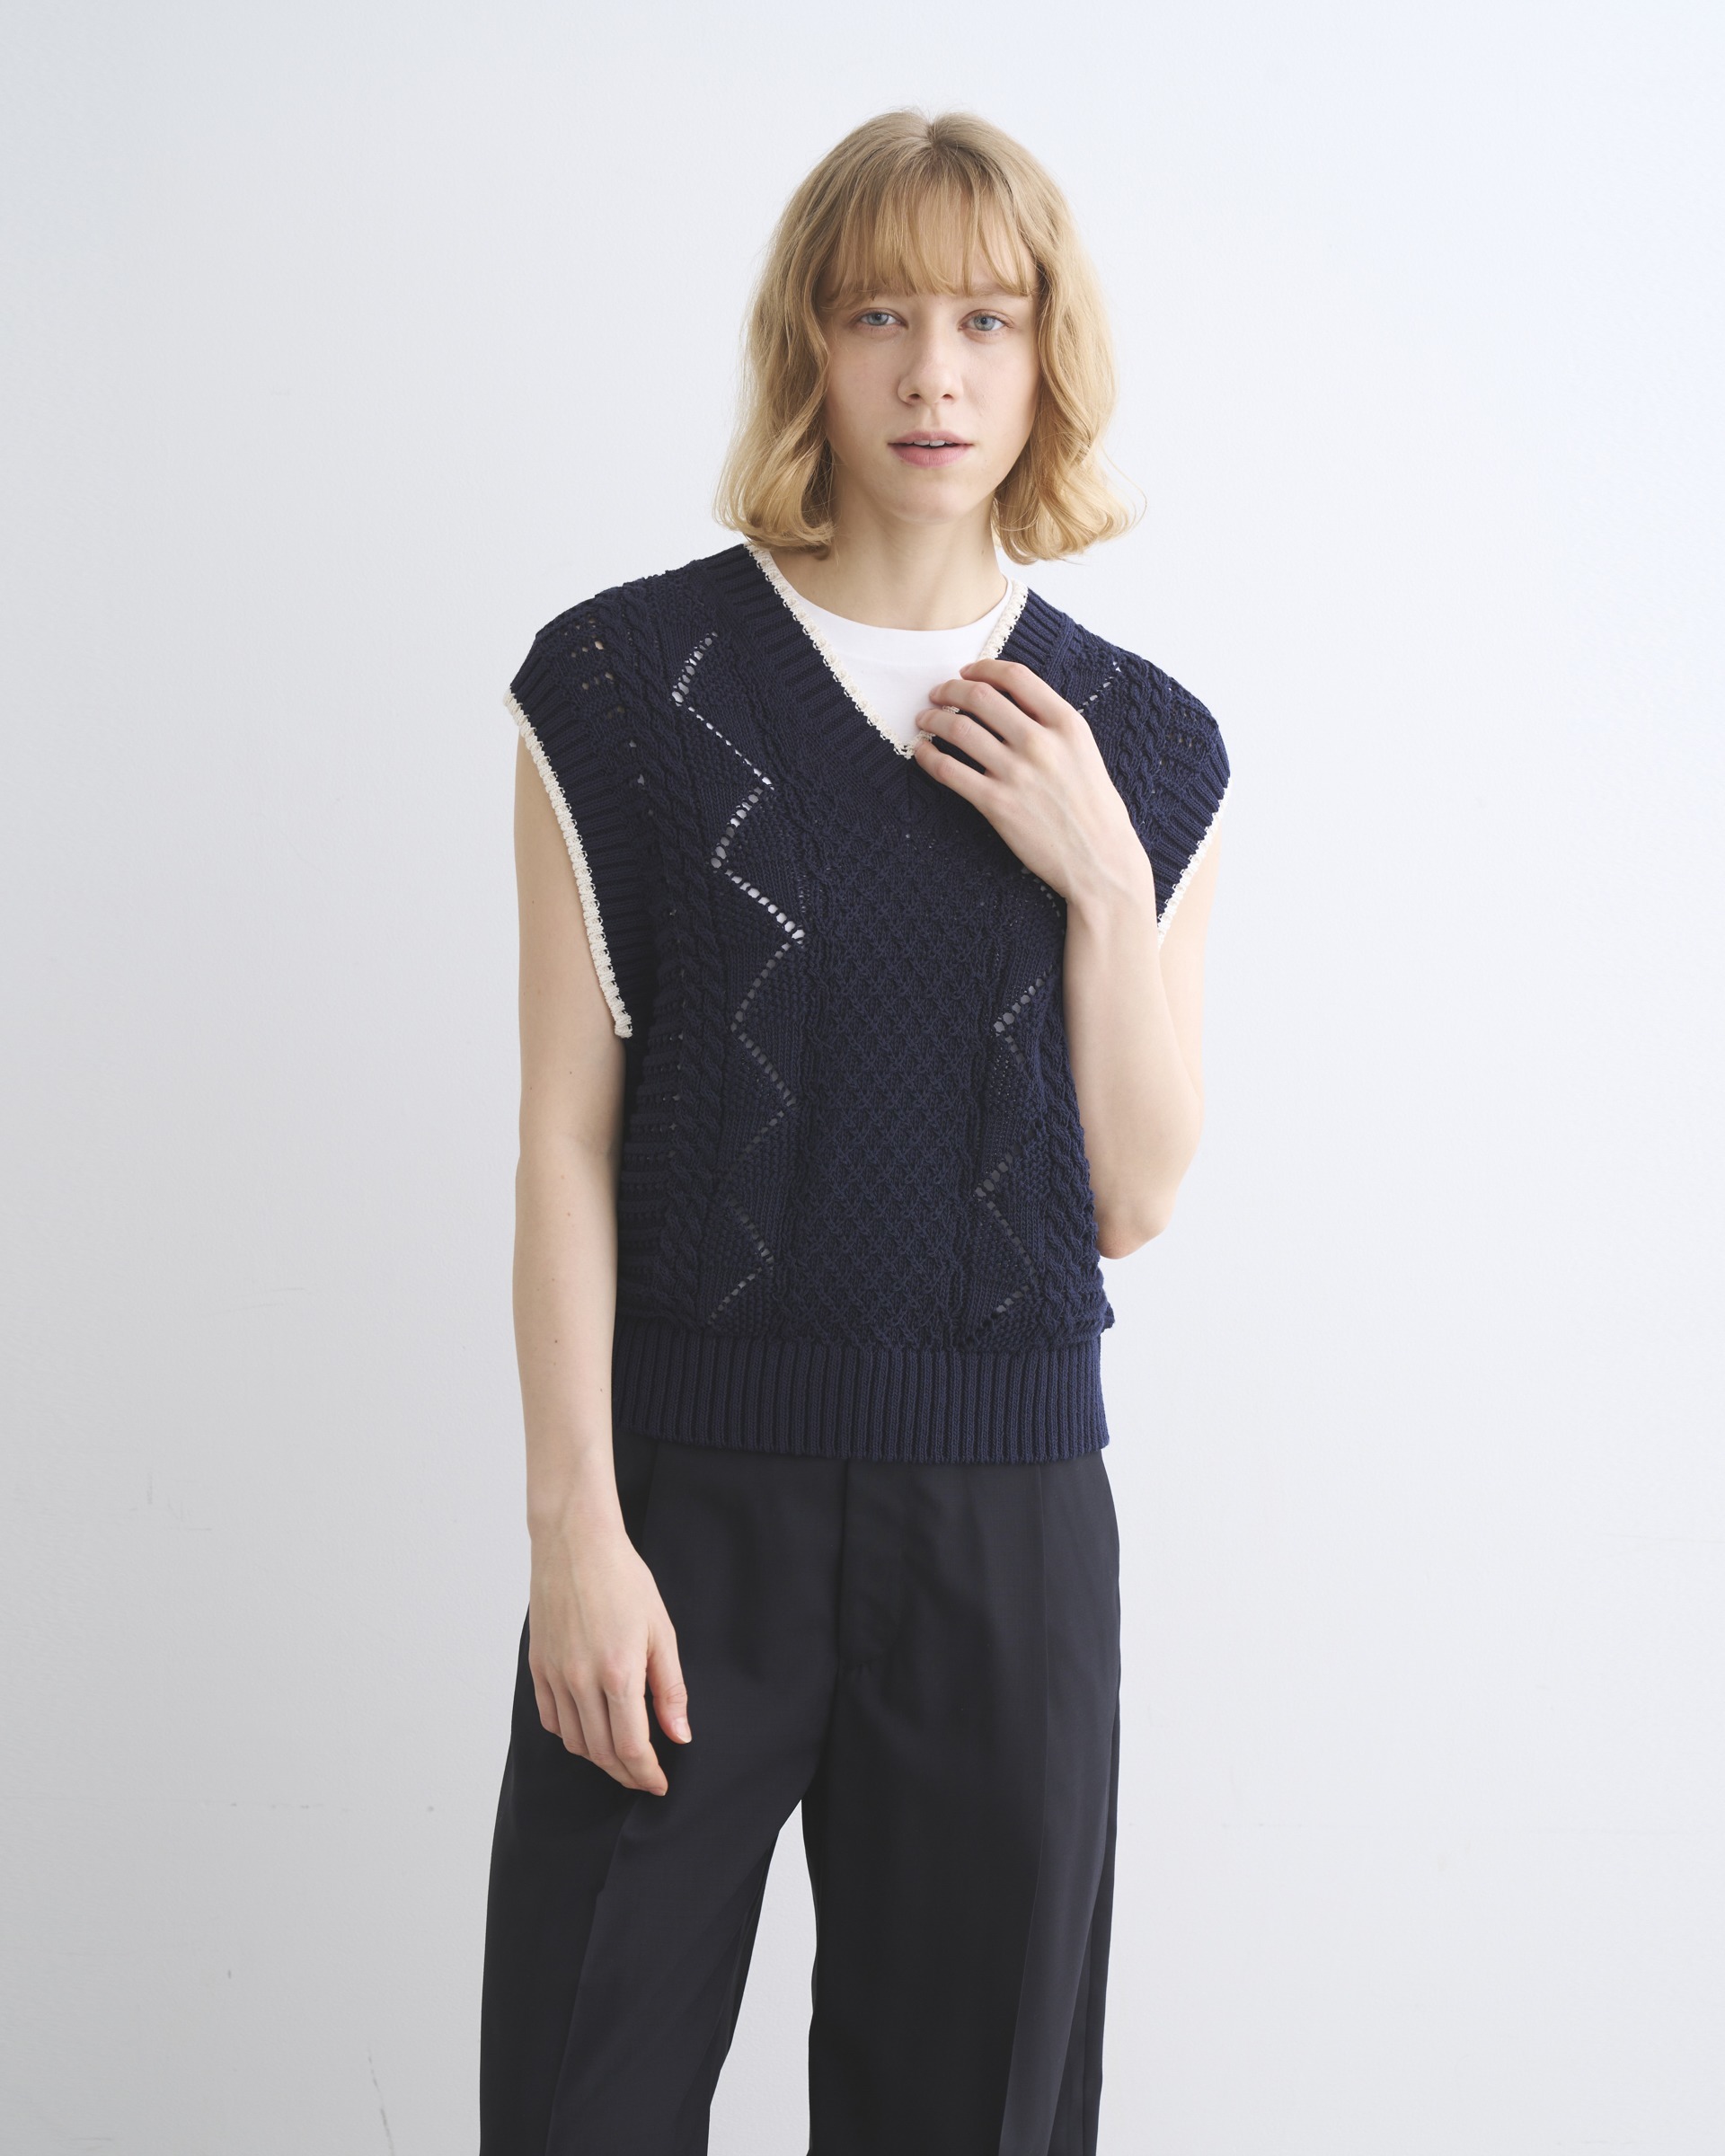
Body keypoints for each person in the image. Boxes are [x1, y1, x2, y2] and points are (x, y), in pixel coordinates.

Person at [479, 107, 1230, 2156]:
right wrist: (574, 1536)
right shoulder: (622, 688)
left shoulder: (1146, 744)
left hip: (1006, 1531)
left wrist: (1101, 879)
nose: (934, 374)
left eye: (987, 320)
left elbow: (1137, 1196)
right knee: (578, 2100)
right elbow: (563, 1140)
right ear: (807, 342)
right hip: (682, 1515)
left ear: (1048, 354)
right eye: (879, 313)